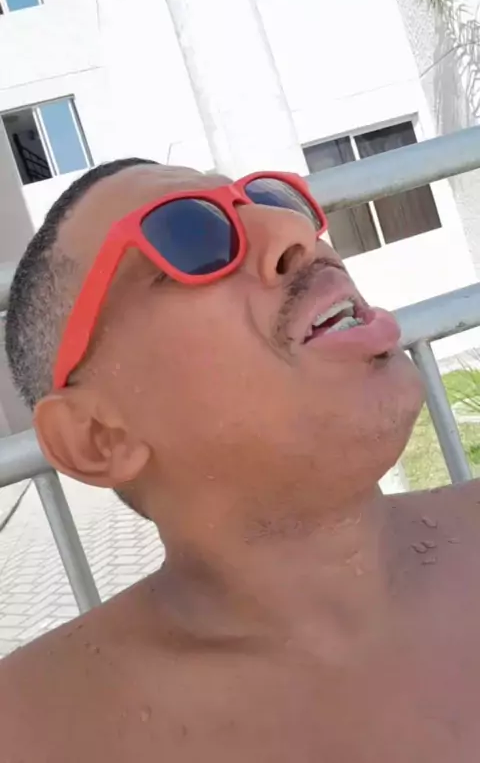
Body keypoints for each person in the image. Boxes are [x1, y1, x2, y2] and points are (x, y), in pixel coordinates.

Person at [0, 158, 479, 763]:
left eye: (275, 199)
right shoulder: (31, 732)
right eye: (189, 234)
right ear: (97, 437)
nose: (296, 232)